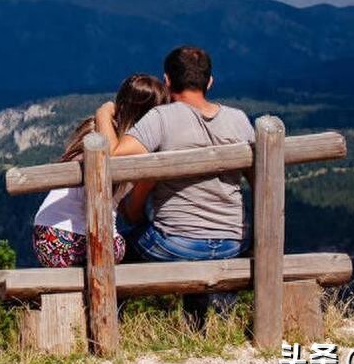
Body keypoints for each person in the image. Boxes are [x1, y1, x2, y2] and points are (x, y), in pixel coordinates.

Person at [99, 45, 255, 325]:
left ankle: (109, 328)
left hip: (174, 245)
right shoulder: (239, 120)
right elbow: (259, 183)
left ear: (167, 80)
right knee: (189, 245)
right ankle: (198, 326)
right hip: (233, 242)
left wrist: (103, 113)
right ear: (209, 82)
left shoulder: (161, 118)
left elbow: (112, 155)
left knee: (117, 250)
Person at [32, 74, 169, 268]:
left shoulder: (92, 130)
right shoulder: (137, 150)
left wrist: (103, 113)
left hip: (46, 239)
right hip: (90, 243)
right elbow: (132, 213)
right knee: (139, 248)